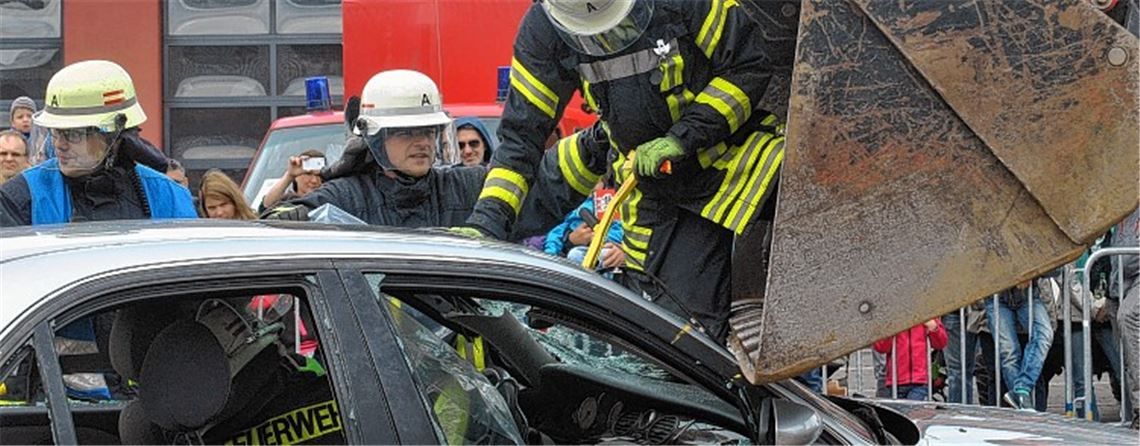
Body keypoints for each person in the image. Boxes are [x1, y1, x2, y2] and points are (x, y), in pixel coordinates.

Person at [464, 0, 786, 342]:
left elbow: (747, 65)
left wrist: (682, 138)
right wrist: (485, 225)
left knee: (695, 337)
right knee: (672, 337)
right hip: (649, 186)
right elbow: (520, 142)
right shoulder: (545, 29)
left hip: (732, 162)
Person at [265, 69, 604, 234]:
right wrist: (288, 220)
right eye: (408, 132)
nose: (423, 142)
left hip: (462, 365)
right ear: (376, 139)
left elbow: (540, 187)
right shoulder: (345, 199)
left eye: (428, 131)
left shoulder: (463, 188)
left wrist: (598, 142)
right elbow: (272, 232)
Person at [0, 60, 195, 226]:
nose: (59, 144)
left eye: (74, 134)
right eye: (56, 132)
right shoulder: (22, 196)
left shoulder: (167, 196)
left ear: (114, 136)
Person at [985, 279, 1056, 411]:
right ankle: (1022, 400)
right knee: (1008, 352)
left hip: (1027, 294)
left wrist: (1030, 274)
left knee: (1044, 334)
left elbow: (1054, 267)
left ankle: (1021, 390)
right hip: (997, 295)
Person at [544, 187, 625, 275]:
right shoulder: (575, 204)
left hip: (611, 255)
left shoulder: (605, 199)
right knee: (575, 255)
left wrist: (599, 238)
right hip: (579, 256)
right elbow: (556, 235)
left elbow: (618, 231)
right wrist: (569, 240)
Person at [873, 319, 948, 400]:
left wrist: (934, 327)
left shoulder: (926, 313)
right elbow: (881, 348)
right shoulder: (892, 317)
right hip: (896, 380)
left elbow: (941, 343)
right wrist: (889, 330)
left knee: (913, 410)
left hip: (920, 380)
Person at [1113, 207, 1139, 429]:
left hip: (1134, 278)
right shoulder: (1120, 208)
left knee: (1128, 316)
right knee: (1127, 352)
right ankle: (1135, 411)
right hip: (1120, 283)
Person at [258, 149, 324, 212]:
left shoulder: (328, 201)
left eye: (319, 175)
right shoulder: (286, 202)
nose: (314, 180)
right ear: (296, 176)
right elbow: (266, 207)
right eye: (308, 174)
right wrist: (289, 175)